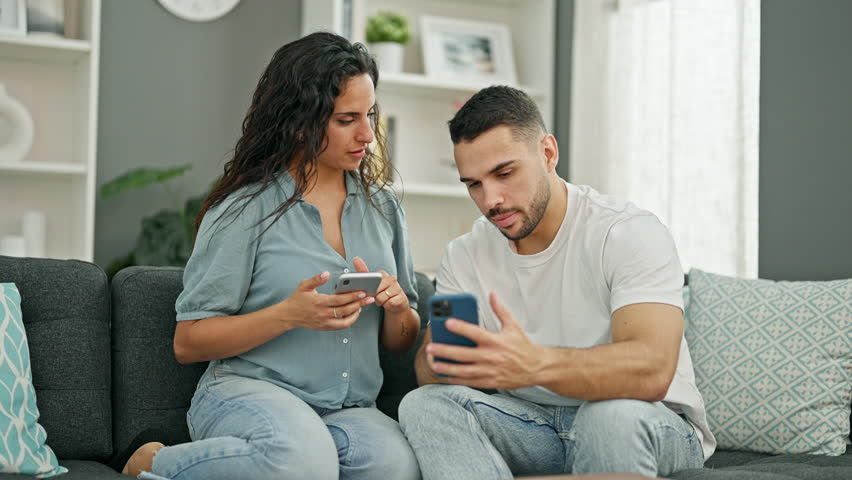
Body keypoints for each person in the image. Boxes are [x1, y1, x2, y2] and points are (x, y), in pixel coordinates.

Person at [120, 32, 421, 480]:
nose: (367, 135)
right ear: (301, 121)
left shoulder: (384, 209)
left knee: (395, 468)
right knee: (302, 462)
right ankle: (154, 462)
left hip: (349, 407)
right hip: (249, 390)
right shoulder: (244, 210)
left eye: (370, 115)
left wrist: (398, 308)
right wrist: (289, 315)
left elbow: (401, 339)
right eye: (346, 119)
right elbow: (189, 342)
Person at [397, 86, 715, 479]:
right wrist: (446, 360)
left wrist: (533, 364)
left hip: (644, 421)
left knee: (608, 415)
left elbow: (651, 370)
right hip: (533, 425)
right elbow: (429, 371)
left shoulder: (627, 232)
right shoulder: (466, 254)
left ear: (548, 153)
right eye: (473, 184)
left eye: (504, 173)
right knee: (425, 404)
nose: (490, 199)